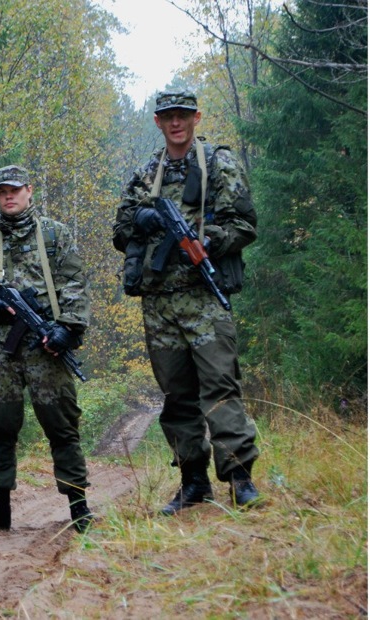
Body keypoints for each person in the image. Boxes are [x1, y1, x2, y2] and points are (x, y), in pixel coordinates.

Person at [112, 90, 261, 515]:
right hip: (160, 304)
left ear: (196, 117)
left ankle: (239, 478)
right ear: (158, 123)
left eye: (182, 116)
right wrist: (141, 220)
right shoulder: (145, 175)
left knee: (220, 386)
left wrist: (206, 241)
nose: (175, 123)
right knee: (177, 396)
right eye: (167, 117)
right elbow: (121, 231)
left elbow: (246, 224)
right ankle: (193, 482)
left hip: (204, 298)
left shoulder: (218, 163)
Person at [0, 165, 93, 533]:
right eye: (2, 192)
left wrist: (67, 330)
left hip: (46, 348)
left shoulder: (56, 235)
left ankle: (79, 507)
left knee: (62, 426)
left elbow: (76, 285)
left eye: (15, 190)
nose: (9, 196)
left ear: (29, 191)